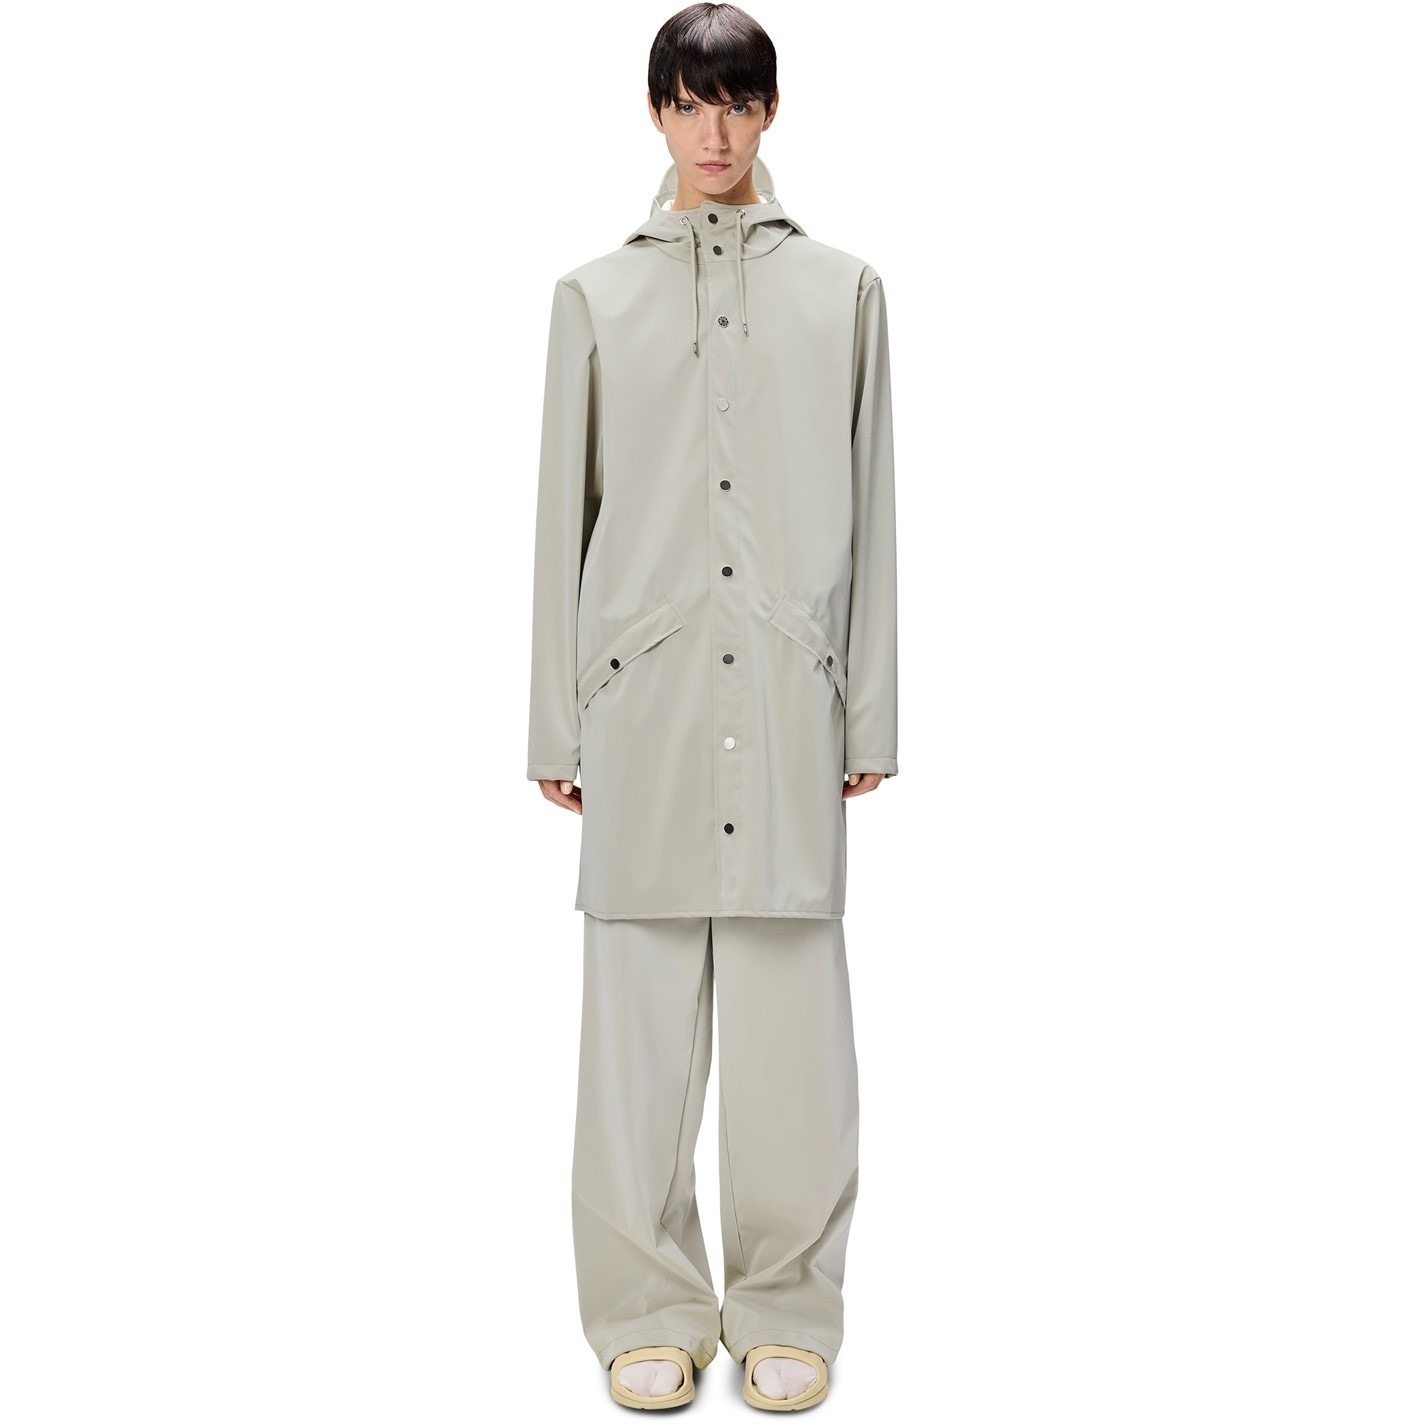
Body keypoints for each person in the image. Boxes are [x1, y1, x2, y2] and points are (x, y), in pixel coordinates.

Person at [525, 3, 898, 1410]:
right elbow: (560, 521)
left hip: (791, 701)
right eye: (689, 103)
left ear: (771, 109)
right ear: (656, 114)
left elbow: (876, 512)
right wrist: (554, 722)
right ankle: (646, 1305)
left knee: (794, 1035)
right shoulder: (592, 300)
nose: (715, 131)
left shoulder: (845, 294)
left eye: (736, 102)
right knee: (633, 1034)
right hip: (642, 708)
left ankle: (788, 1303)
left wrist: (869, 710)